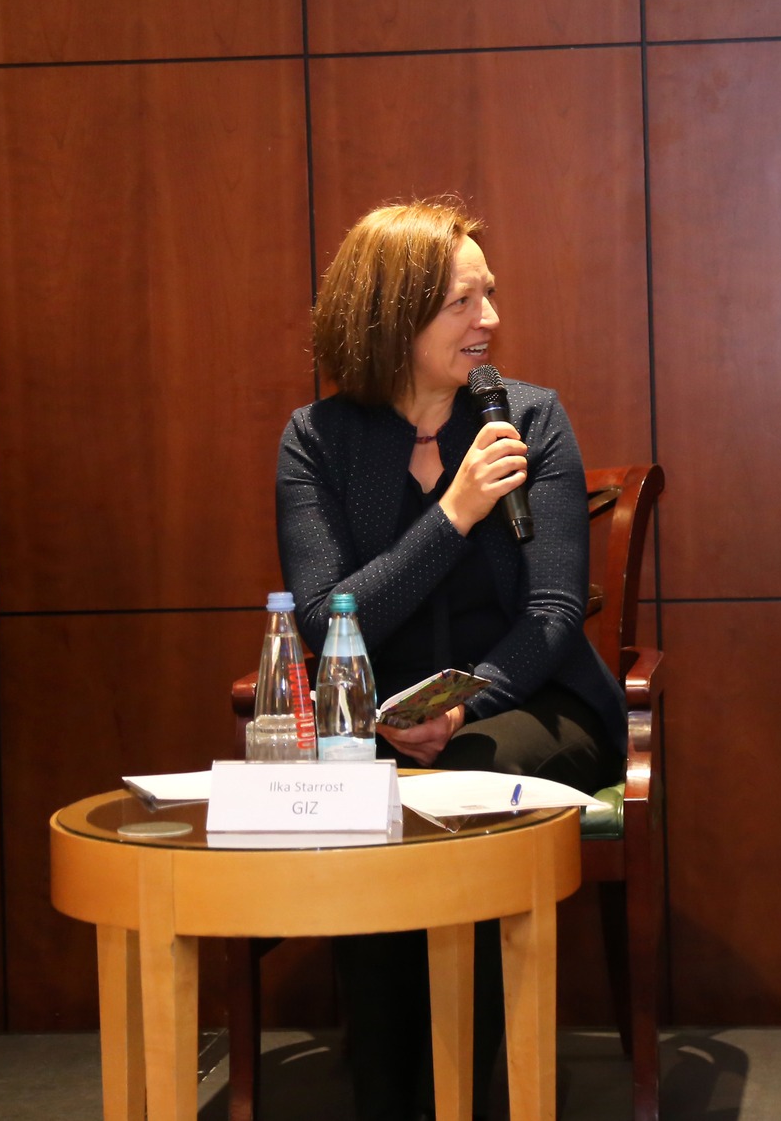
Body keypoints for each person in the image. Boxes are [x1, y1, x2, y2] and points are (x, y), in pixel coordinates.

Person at [276, 198, 626, 1120]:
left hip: (533, 707)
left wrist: (464, 707)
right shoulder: (317, 440)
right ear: (391, 316)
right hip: (380, 726)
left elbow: (553, 613)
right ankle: (390, 1097)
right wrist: (454, 515)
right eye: (462, 303)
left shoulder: (531, 419)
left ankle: (467, 1095)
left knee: (464, 779)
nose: (490, 320)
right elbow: (326, 622)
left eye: (490, 295)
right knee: (366, 790)